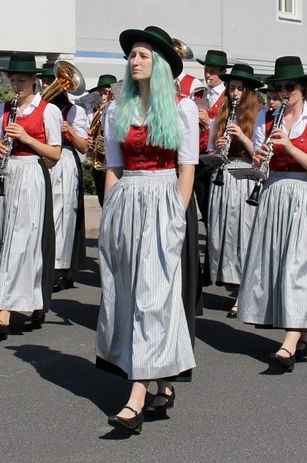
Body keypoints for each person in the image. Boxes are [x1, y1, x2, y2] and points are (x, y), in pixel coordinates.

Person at [97, 25, 198, 435]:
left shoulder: (181, 108)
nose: (133, 61)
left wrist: (176, 216)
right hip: (126, 201)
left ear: (158, 64)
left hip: (163, 198)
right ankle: (162, 382)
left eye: (142, 55)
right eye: (132, 55)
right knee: (129, 294)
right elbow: (113, 167)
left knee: (152, 296)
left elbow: (187, 167)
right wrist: (108, 215)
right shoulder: (116, 110)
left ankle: (135, 398)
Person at [239, 56, 307, 370]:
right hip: (273, 194)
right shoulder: (266, 117)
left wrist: (291, 147)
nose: (283, 92)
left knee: (299, 265)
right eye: (279, 87)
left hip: (305, 194)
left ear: (304, 88)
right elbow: (259, 164)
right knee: (280, 265)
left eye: (289, 86)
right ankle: (301, 334)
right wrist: (259, 159)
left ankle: (289, 344)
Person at [0, 53, 62, 335]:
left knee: (24, 240)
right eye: (13, 80)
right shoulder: (4, 109)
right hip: (7, 174)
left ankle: (5, 310)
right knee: (3, 237)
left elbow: (55, 154)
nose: (16, 85)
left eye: (21, 80)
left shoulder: (48, 110)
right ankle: (31, 302)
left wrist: (27, 138)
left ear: (34, 80)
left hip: (32, 174)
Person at [205, 63, 264, 316]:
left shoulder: (260, 116)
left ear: (248, 92)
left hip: (246, 177)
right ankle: (234, 282)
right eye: (231, 88)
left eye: (239, 89)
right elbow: (210, 151)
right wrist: (218, 148)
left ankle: (244, 294)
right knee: (226, 236)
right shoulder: (221, 115)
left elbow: (261, 154)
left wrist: (241, 135)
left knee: (245, 234)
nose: (234, 93)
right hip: (223, 177)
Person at [39, 61, 90, 292]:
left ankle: (59, 267)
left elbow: (84, 147)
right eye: (45, 81)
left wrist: (69, 130)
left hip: (66, 161)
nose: (46, 85)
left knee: (63, 215)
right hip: (43, 159)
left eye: (50, 81)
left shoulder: (75, 111)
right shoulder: (39, 107)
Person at [193, 49, 230, 226]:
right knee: (203, 204)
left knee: (216, 208)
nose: (208, 75)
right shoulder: (199, 94)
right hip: (198, 156)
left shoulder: (228, 96)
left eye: (212, 71)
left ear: (223, 72)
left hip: (217, 157)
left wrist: (209, 122)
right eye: (206, 70)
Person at [89, 74, 118, 207]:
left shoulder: (121, 110)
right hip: (100, 163)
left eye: (106, 93)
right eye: (100, 94)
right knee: (103, 201)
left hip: (116, 162)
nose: (103, 98)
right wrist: (89, 140)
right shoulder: (93, 113)